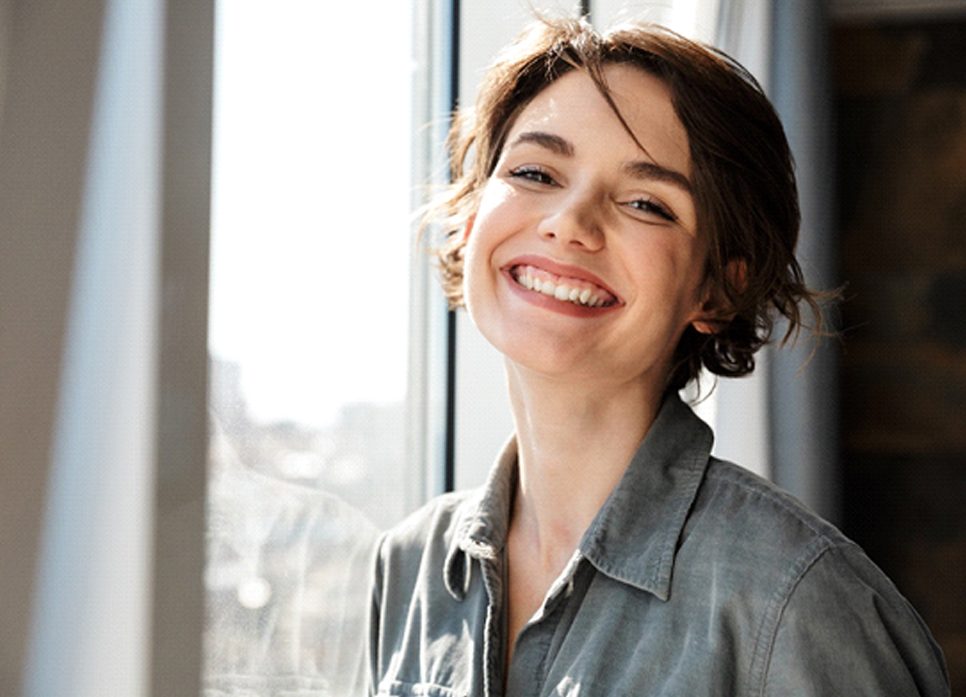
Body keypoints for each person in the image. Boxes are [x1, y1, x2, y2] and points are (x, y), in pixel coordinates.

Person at [368, 17, 950, 696]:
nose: (570, 223)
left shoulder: (799, 600)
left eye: (647, 203)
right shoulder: (407, 566)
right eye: (534, 171)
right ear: (470, 224)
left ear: (717, 288)